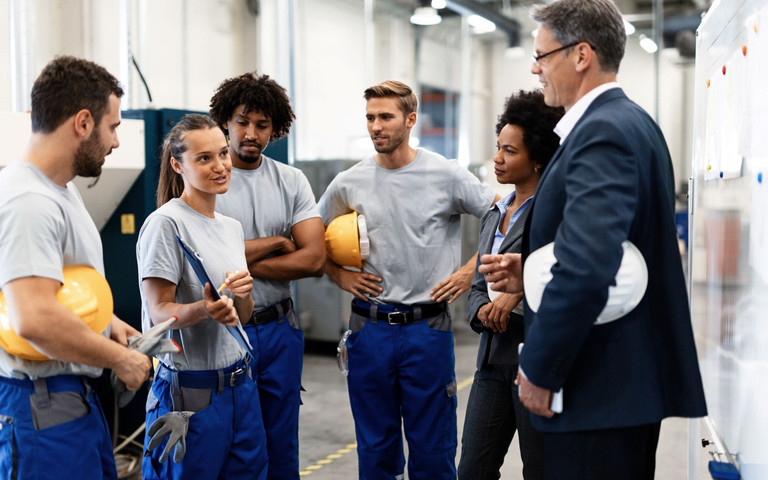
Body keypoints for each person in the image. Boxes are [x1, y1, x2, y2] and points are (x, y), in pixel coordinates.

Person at [478, 1, 708, 478]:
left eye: (542, 55)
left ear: (581, 54)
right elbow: (616, 249)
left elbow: (588, 265)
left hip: (596, 387)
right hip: (615, 388)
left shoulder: (602, 133)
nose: (535, 67)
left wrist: (542, 369)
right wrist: (534, 266)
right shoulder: (630, 123)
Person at [318, 80, 496, 480]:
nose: (375, 126)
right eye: (369, 117)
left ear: (410, 120)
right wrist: (338, 274)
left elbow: (502, 217)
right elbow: (310, 237)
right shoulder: (349, 181)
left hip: (426, 329)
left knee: (433, 449)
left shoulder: (446, 174)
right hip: (369, 329)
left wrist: (471, 271)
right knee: (375, 448)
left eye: (385, 117)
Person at [0, 56, 151, 479]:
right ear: (83, 123)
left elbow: (63, 289)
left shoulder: (60, 192)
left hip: (71, 400)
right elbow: (34, 318)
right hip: (41, 405)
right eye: (114, 127)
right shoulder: (28, 200)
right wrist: (120, 359)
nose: (116, 141)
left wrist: (109, 324)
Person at [137, 114, 268, 479]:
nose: (220, 166)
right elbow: (158, 311)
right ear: (178, 165)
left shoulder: (231, 228)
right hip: (191, 395)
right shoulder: (166, 224)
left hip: (240, 388)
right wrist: (204, 309)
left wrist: (242, 295)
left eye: (223, 154)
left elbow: (241, 315)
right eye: (204, 158)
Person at [209, 72, 325, 479]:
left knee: (281, 443)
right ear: (225, 121)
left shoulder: (291, 180)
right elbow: (201, 259)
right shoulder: (208, 179)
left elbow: (313, 260)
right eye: (242, 121)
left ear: (275, 128)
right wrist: (277, 242)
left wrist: (235, 259)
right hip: (226, 331)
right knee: (232, 442)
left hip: (280, 331)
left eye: (261, 124)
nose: (251, 133)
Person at [458, 90, 563, 480]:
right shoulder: (493, 213)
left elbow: (559, 275)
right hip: (491, 359)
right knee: (472, 469)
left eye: (510, 151)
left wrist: (514, 300)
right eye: (497, 148)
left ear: (537, 158)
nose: (498, 159)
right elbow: (476, 284)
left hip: (532, 356)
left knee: (539, 468)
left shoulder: (553, 214)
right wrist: (482, 309)